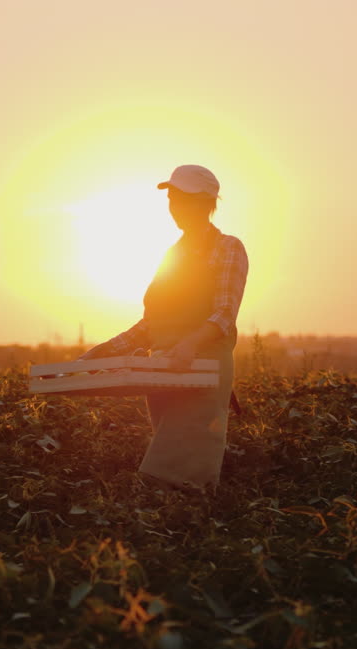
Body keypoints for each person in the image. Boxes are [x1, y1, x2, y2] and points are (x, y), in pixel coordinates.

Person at [80, 164, 249, 492]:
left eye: (182, 199)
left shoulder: (227, 248)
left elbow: (225, 314)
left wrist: (189, 345)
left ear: (205, 202)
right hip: (164, 373)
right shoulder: (172, 254)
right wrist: (100, 353)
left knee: (174, 475)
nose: (175, 207)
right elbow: (151, 324)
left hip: (202, 370)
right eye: (172, 199)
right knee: (169, 476)